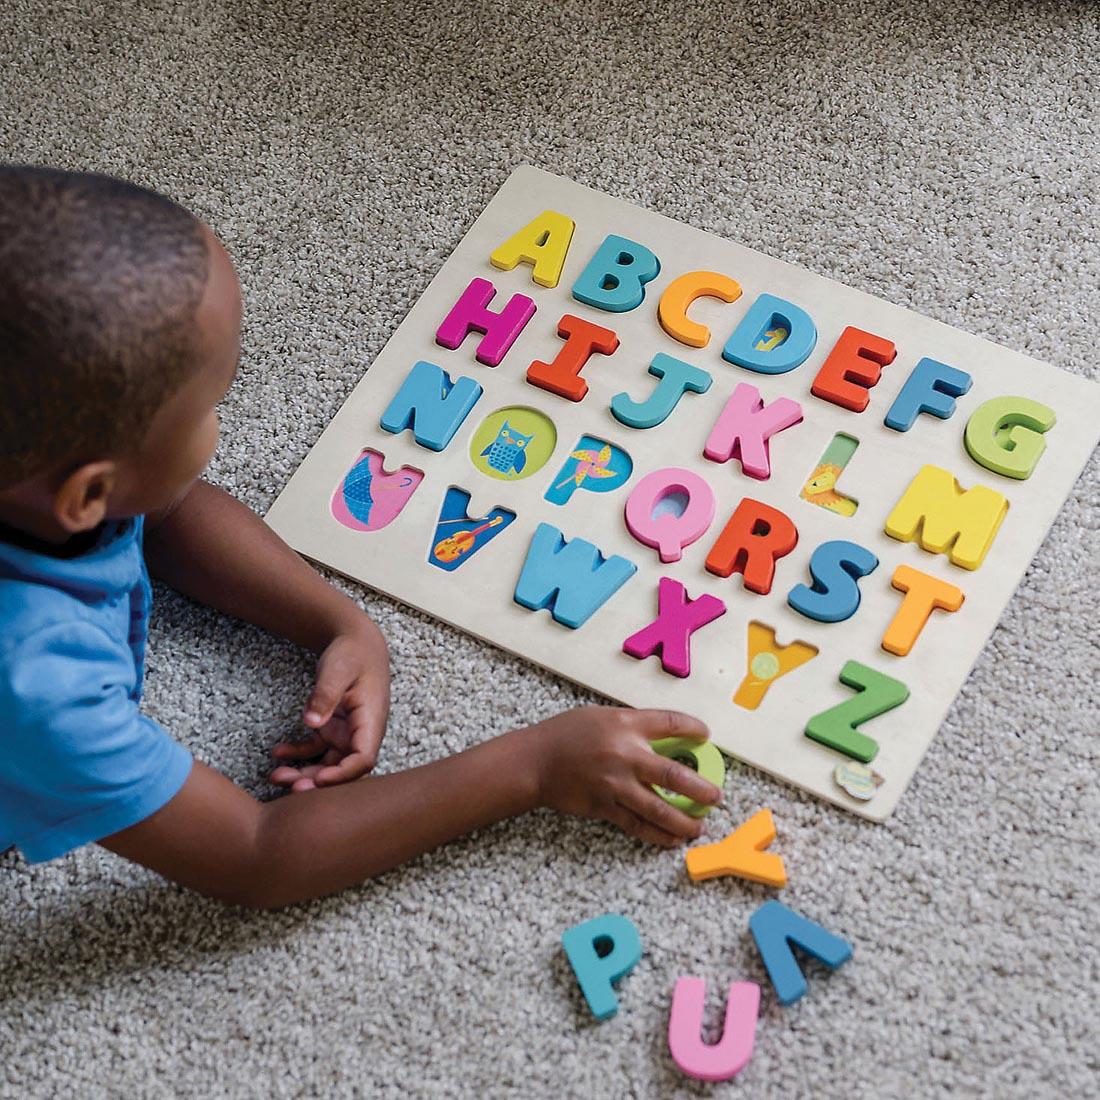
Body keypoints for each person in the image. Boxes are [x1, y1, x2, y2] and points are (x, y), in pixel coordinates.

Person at [0, 165, 722, 908]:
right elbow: (258, 857)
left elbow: (165, 512)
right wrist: (533, 765)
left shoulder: (33, 482)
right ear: (87, 494)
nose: (224, 416)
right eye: (209, 405)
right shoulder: (38, 684)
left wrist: (340, 623)